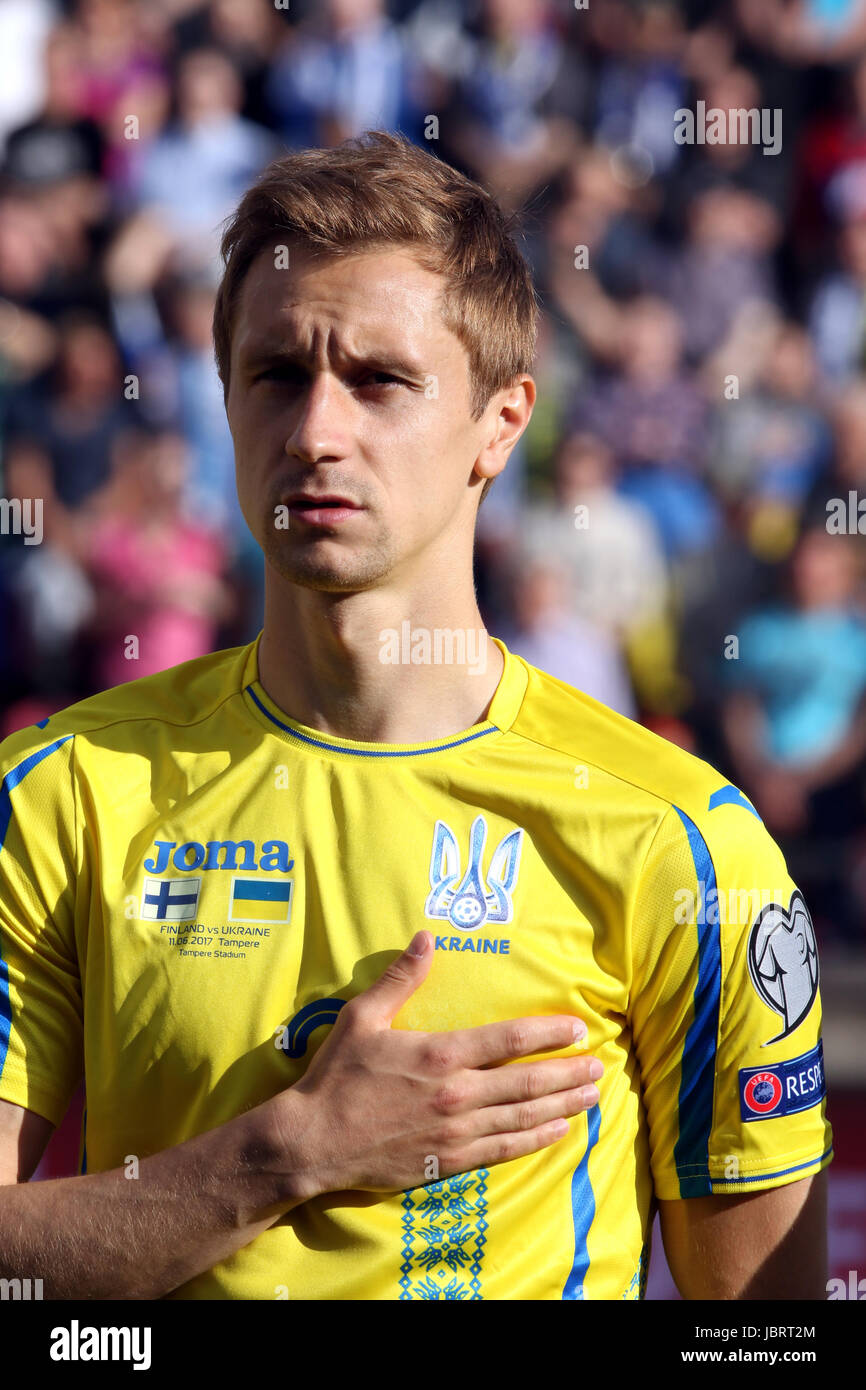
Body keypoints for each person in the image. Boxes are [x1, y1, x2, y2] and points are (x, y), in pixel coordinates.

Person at [0, 132, 831, 1302]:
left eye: (380, 380)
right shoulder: (59, 790)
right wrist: (282, 1157)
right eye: (276, 374)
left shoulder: (681, 840)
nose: (314, 433)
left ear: (502, 422)